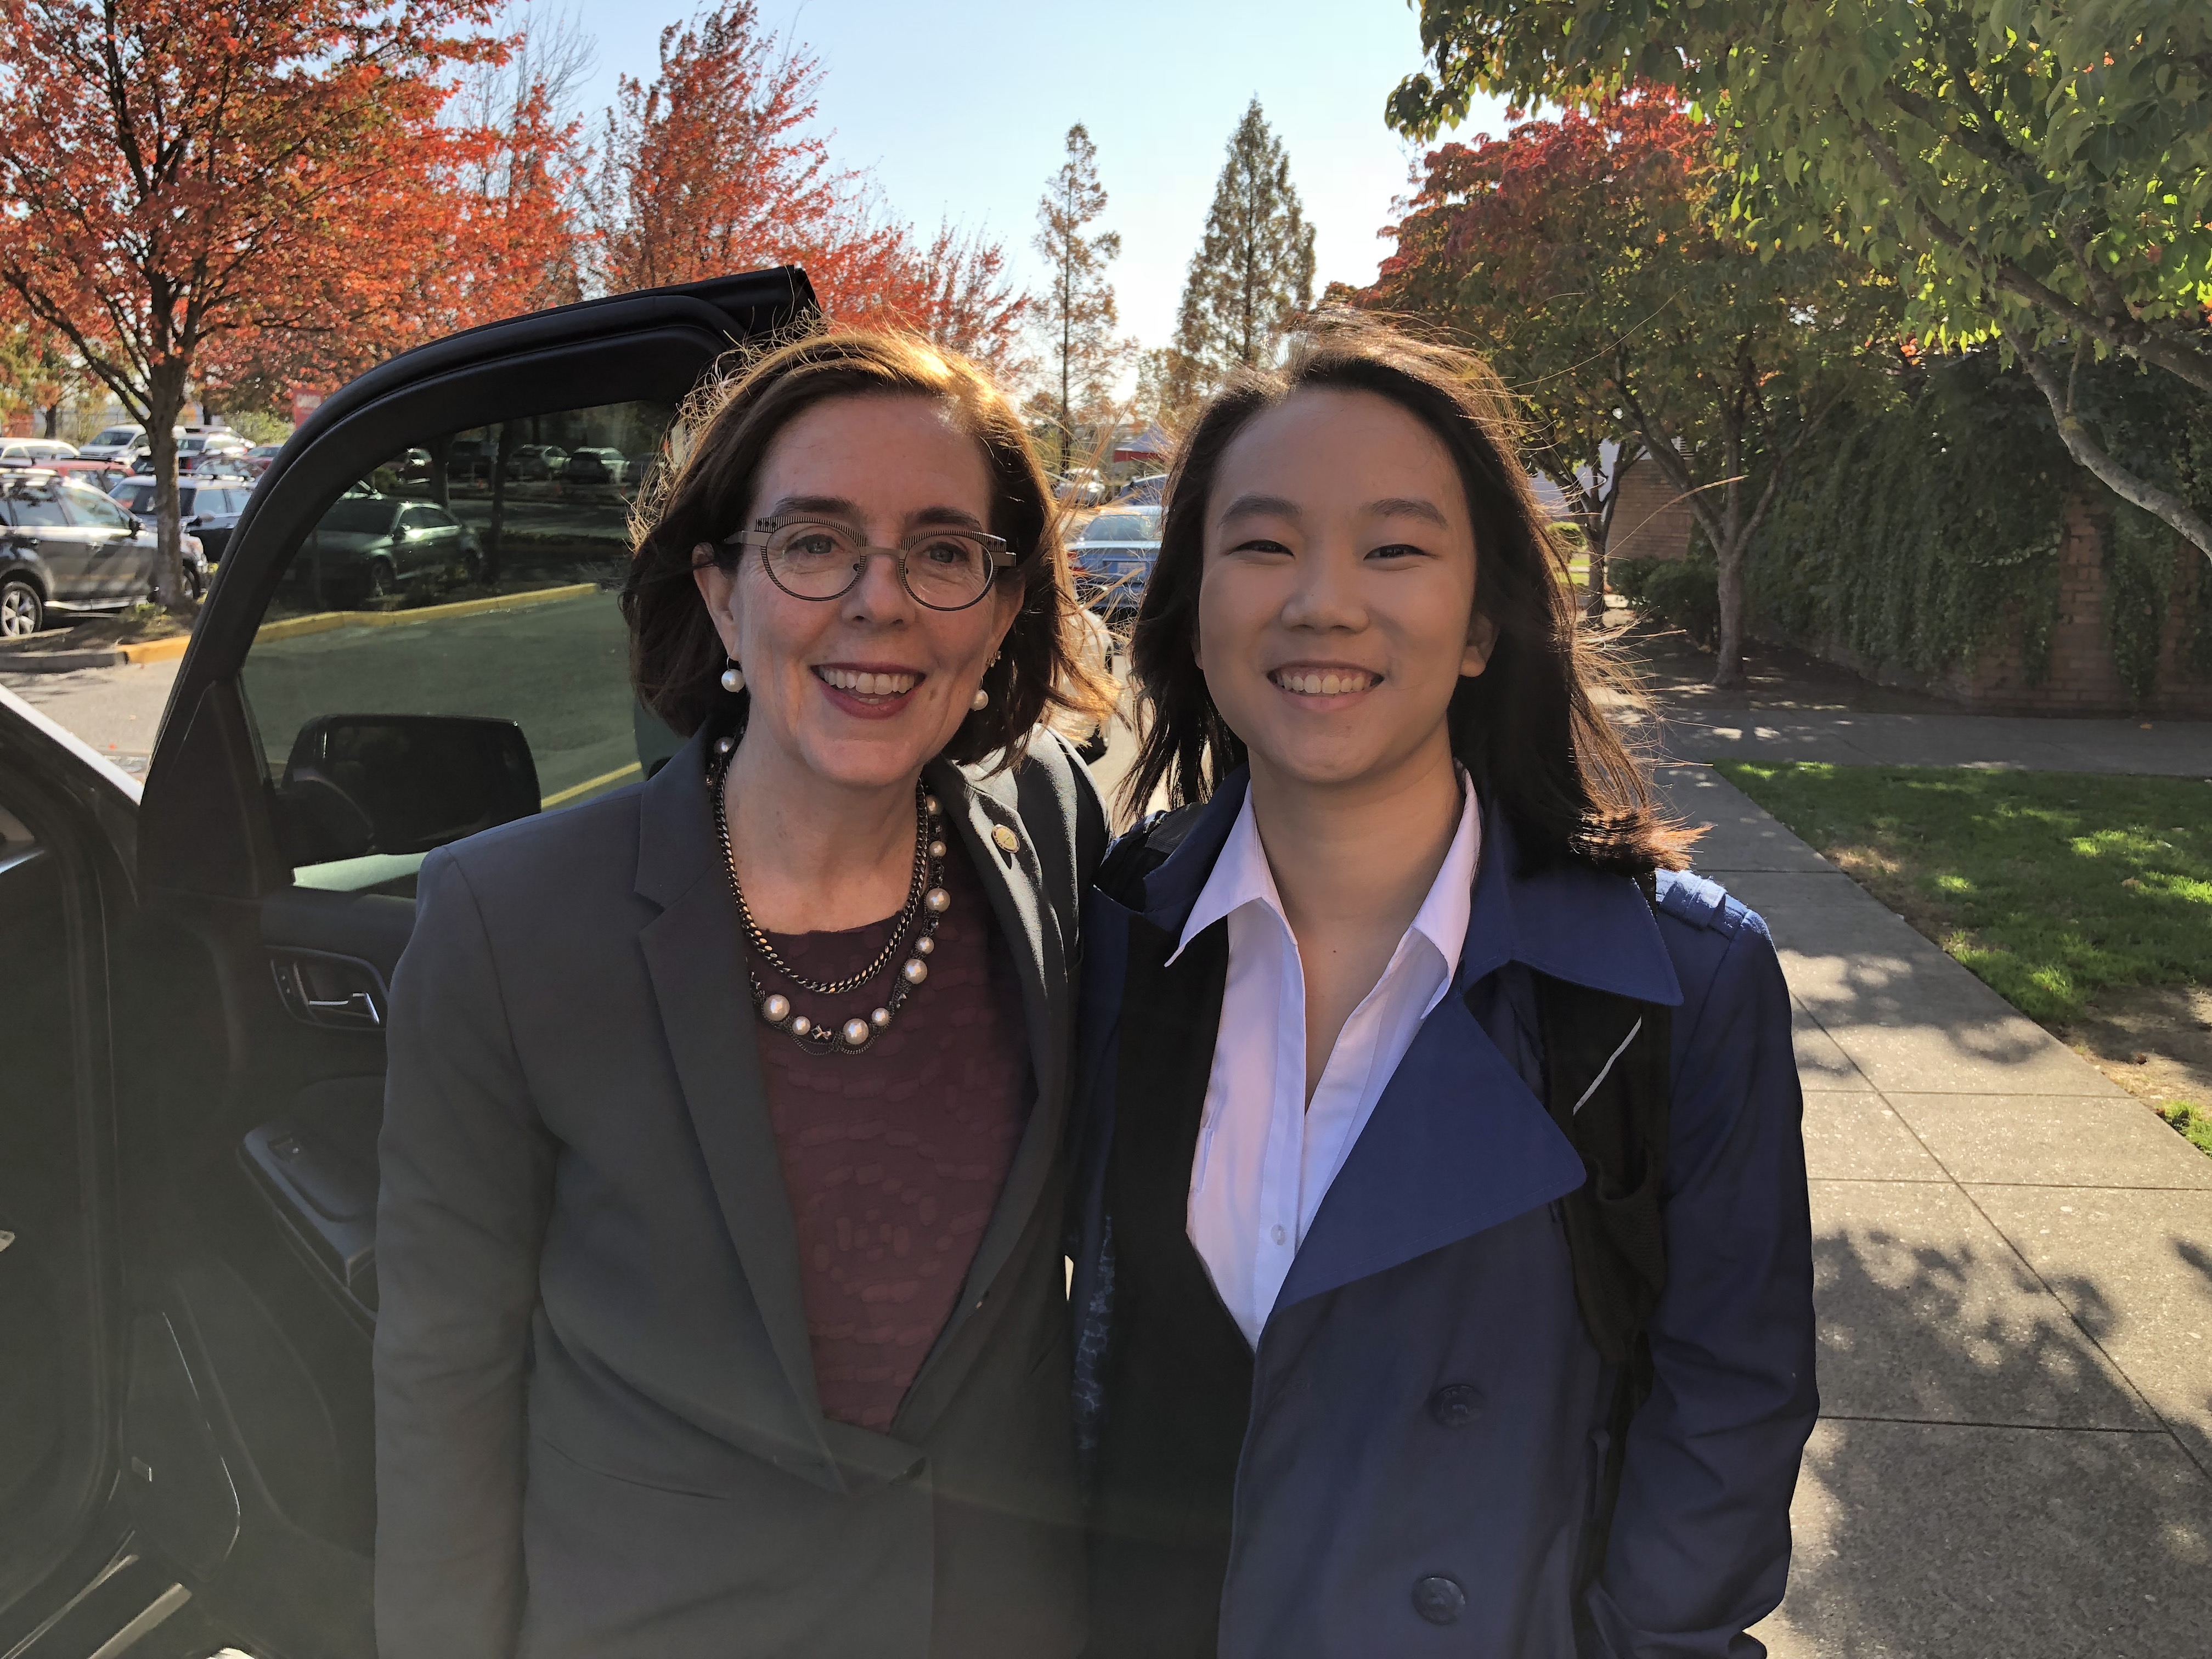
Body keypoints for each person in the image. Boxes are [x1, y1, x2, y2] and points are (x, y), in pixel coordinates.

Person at [1069, 320, 1816, 1657]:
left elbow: (1730, 1412)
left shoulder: (1679, 987)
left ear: (1481, 626)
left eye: (1395, 550)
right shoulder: (1123, 926)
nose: (1323, 602)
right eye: (1263, 545)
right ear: (1191, 612)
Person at [374, 330, 1115, 1658]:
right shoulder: (509, 919)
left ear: (1003, 609)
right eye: (814, 543)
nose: (879, 603)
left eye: (944, 552)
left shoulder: (1050, 828)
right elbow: (445, 1373)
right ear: (721, 593)